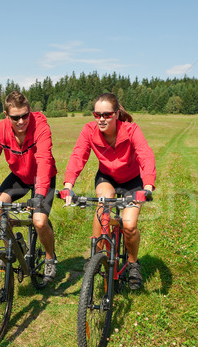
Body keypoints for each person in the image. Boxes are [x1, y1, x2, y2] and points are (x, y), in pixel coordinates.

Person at [0, 91, 58, 284]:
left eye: (25, 115)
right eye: (15, 117)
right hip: (19, 177)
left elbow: (44, 161)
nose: (21, 121)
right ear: (7, 116)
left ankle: (50, 258)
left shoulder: (40, 126)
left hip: (43, 177)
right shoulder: (0, 130)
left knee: (39, 222)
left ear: (30, 111)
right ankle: (13, 247)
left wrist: (39, 195)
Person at [61, 93, 156, 290]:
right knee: (102, 203)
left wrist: (147, 186)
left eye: (106, 114)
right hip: (107, 177)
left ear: (116, 114)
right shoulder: (89, 130)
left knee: (129, 225)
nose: (101, 119)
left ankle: (132, 263)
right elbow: (79, 155)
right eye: (97, 115)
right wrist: (68, 186)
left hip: (133, 181)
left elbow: (145, 154)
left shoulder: (130, 130)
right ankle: (96, 256)